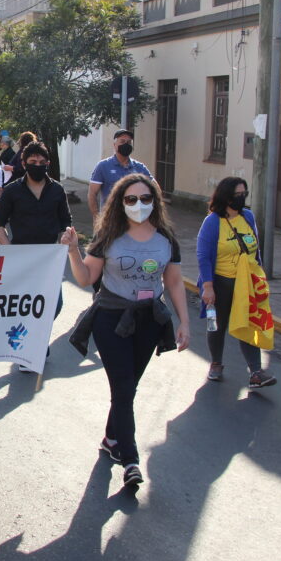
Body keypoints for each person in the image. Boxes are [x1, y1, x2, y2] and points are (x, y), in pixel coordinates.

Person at [61, 173, 190, 488]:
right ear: (121, 202)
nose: (139, 205)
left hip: (149, 320)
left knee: (127, 388)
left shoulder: (166, 240)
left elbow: (173, 281)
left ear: (154, 201)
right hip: (111, 318)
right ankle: (130, 459)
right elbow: (86, 278)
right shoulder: (109, 237)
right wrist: (74, 251)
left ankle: (110, 438)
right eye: (131, 199)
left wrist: (184, 321)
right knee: (122, 387)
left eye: (145, 199)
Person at [0, 141, 72, 366]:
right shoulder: (13, 191)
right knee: (25, 306)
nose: (37, 165)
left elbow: (66, 222)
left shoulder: (56, 189)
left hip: (49, 258)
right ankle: (27, 348)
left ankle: (36, 337)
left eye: (41, 162)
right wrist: (10, 251)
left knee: (54, 304)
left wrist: (63, 242)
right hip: (22, 258)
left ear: (47, 163)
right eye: (32, 162)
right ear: (24, 164)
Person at [196, 177, 277, 389]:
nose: (241, 198)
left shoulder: (248, 217)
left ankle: (256, 372)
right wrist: (208, 286)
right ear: (226, 196)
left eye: (244, 194)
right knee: (216, 325)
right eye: (237, 195)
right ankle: (215, 363)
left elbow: (255, 250)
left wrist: (260, 280)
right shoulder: (213, 222)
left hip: (246, 284)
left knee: (249, 323)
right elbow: (203, 256)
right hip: (219, 283)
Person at [88, 129, 153, 218]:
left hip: (134, 220)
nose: (126, 144)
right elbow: (92, 193)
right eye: (122, 141)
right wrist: (96, 217)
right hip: (110, 220)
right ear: (115, 145)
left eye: (129, 142)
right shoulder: (103, 166)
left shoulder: (139, 167)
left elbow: (155, 189)